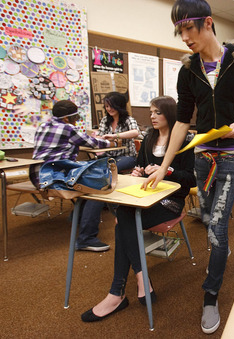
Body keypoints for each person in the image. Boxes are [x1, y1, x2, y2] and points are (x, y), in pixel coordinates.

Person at [142, 0, 234, 333]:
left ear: (208, 23)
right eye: (179, 30)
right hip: (203, 156)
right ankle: (219, 254)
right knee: (208, 216)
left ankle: (210, 295)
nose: (184, 37)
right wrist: (162, 165)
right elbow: (183, 121)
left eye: (188, 28)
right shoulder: (188, 70)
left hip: (233, 155)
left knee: (217, 228)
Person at [81, 96, 196, 322]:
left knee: (123, 220)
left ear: (169, 115)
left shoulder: (184, 140)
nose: (151, 116)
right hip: (145, 197)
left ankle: (118, 292)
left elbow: (191, 180)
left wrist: (168, 170)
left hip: (170, 202)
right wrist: (138, 172)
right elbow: (141, 167)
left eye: (157, 113)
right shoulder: (149, 137)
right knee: (124, 215)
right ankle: (139, 279)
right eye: (151, 112)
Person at [31, 100, 117, 250]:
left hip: (37, 175)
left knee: (85, 179)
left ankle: (76, 217)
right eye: (76, 117)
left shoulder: (43, 125)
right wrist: (113, 143)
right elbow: (93, 143)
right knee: (99, 188)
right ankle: (86, 238)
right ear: (66, 118)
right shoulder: (67, 128)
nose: (76, 120)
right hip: (53, 176)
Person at [76, 92, 140, 251]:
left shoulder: (128, 120)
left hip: (127, 156)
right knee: (91, 176)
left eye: (111, 105)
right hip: (109, 156)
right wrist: (99, 137)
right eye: (106, 106)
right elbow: (101, 140)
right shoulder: (105, 120)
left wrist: (114, 135)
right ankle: (80, 221)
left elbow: (135, 133)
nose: (108, 109)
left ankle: (84, 230)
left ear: (119, 105)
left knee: (101, 180)